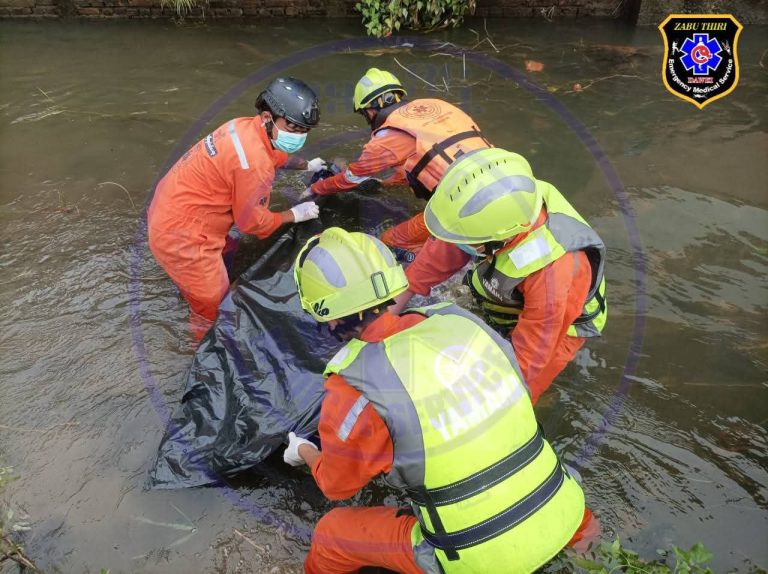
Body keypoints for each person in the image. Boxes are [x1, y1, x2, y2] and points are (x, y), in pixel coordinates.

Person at [285, 227, 594, 573]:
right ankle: (588, 548)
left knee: (331, 535)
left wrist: (304, 451)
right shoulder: (459, 321)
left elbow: (337, 486)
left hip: (485, 560)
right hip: (565, 507)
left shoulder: (355, 386)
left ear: (326, 315)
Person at [389, 148, 607, 404]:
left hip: (562, 322)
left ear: (500, 239)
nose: (457, 244)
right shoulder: (496, 205)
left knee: (515, 397)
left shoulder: (553, 273)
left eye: (469, 241)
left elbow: (529, 358)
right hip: (517, 287)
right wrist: (387, 316)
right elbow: (431, 262)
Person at [148, 77, 326, 335]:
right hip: (181, 236)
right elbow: (253, 224)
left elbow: (276, 155)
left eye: (304, 130)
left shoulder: (243, 126)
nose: (299, 136)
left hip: (170, 206)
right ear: (268, 117)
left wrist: (306, 165)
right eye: (293, 127)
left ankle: (191, 286)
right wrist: (294, 215)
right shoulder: (254, 164)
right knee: (212, 308)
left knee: (231, 252)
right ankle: (198, 348)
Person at [304, 68, 492, 259]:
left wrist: (316, 188)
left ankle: (437, 257)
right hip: (499, 176)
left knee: (389, 240)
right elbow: (426, 157)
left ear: (369, 110)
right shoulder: (437, 105)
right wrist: (385, 185)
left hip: (462, 207)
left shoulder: (386, 137)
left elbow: (350, 178)